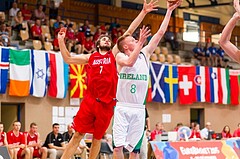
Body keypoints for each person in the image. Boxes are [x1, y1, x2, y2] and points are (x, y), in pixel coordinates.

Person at [57, 1, 159, 159]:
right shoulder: (90, 57)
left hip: (106, 104)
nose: (106, 40)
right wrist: (61, 41)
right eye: (103, 39)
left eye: (107, 39)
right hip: (90, 100)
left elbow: (129, 31)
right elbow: (68, 59)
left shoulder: (113, 55)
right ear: (97, 44)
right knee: (77, 135)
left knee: (97, 138)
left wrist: (144, 12)